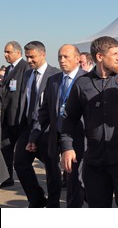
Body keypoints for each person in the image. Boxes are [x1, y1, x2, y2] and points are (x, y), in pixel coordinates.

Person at [61, 36, 118, 208]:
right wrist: (67, 147)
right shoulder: (82, 84)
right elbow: (69, 118)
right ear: (100, 57)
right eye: (115, 54)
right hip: (95, 162)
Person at [30, 44, 86, 207]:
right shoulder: (53, 81)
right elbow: (44, 111)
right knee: (53, 176)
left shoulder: (87, 79)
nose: (62, 60)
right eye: (60, 57)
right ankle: (53, 207)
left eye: (66, 57)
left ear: (77, 58)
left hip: (78, 138)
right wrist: (34, 135)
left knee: (74, 178)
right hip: (56, 136)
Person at [13, 41, 60, 207]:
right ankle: (37, 199)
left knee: (52, 168)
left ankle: (53, 204)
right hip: (28, 126)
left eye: (32, 57)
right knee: (20, 163)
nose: (29, 60)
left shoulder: (55, 75)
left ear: (43, 54)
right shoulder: (27, 75)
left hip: (47, 128)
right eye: (27, 57)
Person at [1, 41, 29, 188]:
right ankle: (6, 178)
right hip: (7, 118)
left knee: (23, 154)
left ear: (18, 53)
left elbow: (25, 94)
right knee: (5, 147)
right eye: (5, 52)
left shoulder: (25, 68)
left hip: (19, 118)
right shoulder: (9, 69)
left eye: (8, 52)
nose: (5, 55)